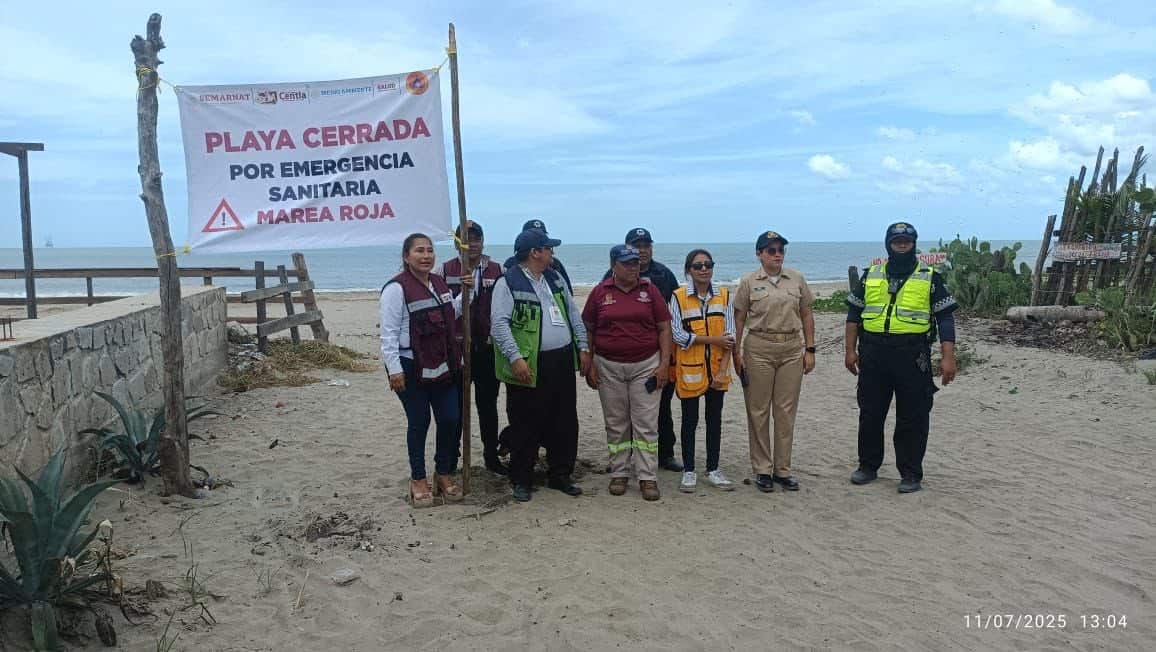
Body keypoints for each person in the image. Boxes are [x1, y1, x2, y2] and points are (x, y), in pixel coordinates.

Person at [844, 222, 957, 493]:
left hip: (912, 355)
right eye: (897, 241)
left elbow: (946, 319)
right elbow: (853, 316)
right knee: (870, 413)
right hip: (873, 354)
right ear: (888, 244)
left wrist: (948, 357)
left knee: (913, 416)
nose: (902, 245)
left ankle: (910, 473)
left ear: (914, 244)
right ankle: (868, 466)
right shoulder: (871, 275)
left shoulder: (930, 277)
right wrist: (850, 350)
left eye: (906, 241)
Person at [491, 228, 590, 502]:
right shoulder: (507, 282)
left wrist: (582, 346)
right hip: (528, 363)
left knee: (564, 420)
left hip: (560, 360)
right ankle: (521, 478)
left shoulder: (555, 277)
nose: (552, 253)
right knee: (525, 423)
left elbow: (572, 313)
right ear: (535, 252)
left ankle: (560, 475)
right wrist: (515, 358)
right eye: (548, 248)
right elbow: (499, 325)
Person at [380, 233, 472, 507]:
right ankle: (418, 479)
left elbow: (451, 313)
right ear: (406, 256)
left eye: (430, 250)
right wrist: (394, 370)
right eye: (419, 251)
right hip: (410, 366)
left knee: (450, 418)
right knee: (420, 422)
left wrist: (468, 291)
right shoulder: (396, 289)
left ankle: (443, 473)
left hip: (442, 364)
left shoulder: (439, 283)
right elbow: (388, 334)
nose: (426, 256)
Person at [584, 244, 673, 501]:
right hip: (608, 366)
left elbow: (664, 328)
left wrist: (664, 364)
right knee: (616, 423)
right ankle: (619, 473)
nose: (634, 267)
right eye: (627, 263)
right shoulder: (600, 292)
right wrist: (588, 362)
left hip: (646, 365)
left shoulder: (650, 290)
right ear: (614, 266)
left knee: (645, 424)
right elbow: (588, 328)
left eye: (636, 262)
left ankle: (647, 477)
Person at [733, 230, 816, 493]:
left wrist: (810, 349)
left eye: (780, 250)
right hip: (758, 348)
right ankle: (762, 469)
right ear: (759, 254)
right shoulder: (748, 282)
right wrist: (736, 353)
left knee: (785, 411)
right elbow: (738, 318)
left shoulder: (797, 279)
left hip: (791, 349)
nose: (777, 255)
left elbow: (806, 314)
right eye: (771, 250)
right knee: (758, 411)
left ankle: (783, 470)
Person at [603, 227, 683, 471]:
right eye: (637, 246)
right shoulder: (610, 276)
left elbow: (675, 315)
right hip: (620, 361)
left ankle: (665, 454)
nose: (643, 250)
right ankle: (622, 459)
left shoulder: (664, 274)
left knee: (661, 408)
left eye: (647, 245)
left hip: (658, 355)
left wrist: (669, 357)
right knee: (623, 412)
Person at [437, 220, 507, 476]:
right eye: (466, 239)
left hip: (487, 349)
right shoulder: (445, 270)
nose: (472, 244)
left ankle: (491, 456)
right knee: (455, 408)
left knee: (487, 406)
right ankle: (452, 458)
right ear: (457, 242)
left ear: (483, 241)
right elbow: (441, 309)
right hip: (456, 350)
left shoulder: (496, 269)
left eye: (476, 238)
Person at [669, 249, 737, 492]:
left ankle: (713, 468)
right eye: (698, 266)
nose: (704, 269)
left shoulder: (724, 295)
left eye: (708, 264)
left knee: (714, 420)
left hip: (717, 371)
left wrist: (723, 369)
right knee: (689, 421)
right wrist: (712, 341)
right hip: (689, 371)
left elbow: (731, 335)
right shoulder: (678, 297)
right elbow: (677, 335)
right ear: (689, 270)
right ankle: (689, 470)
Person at [503, 219, 573, 294]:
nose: (539, 236)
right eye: (533, 234)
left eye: (543, 234)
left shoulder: (555, 263)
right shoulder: (510, 264)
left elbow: (567, 292)